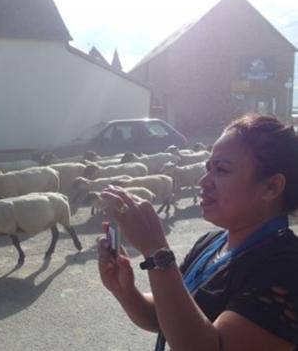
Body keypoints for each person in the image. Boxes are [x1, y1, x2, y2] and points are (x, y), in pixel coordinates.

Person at [98, 114, 298, 350]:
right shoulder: (212, 242)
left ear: (271, 187)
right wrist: (126, 291)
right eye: (208, 167)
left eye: (221, 170)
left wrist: (156, 252)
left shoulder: (286, 268)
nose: (203, 181)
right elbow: (168, 318)